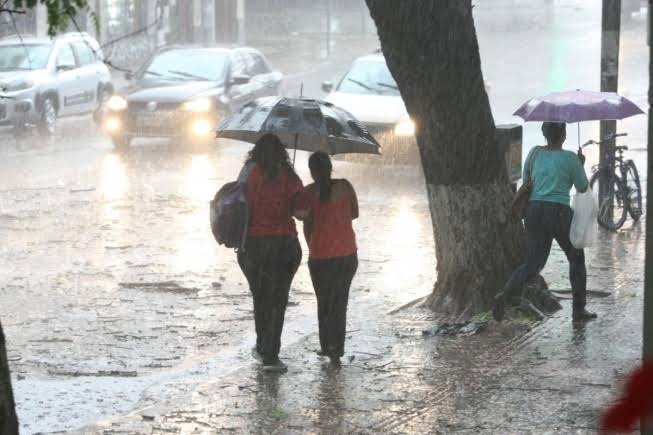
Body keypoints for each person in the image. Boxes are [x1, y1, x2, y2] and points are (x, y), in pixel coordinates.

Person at [493, 122, 597, 322]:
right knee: (576, 259)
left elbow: (527, 180)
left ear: (544, 134)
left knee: (532, 263)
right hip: (559, 212)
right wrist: (579, 164)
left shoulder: (534, 154)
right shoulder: (570, 158)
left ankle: (504, 296)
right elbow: (583, 187)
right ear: (563, 135)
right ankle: (578, 310)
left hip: (534, 211)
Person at [237, 134, 303, 372]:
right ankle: (271, 353)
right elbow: (300, 211)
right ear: (281, 153)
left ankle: (263, 345)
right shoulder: (289, 176)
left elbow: (238, 202)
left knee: (260, 297)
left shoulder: (248, 172)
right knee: (278, 299)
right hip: (285, 245)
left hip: (253, 246)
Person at [295, 152, 359, 365]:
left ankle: (327, 345)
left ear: (312, 171)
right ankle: (336, 349)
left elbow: (299, 214)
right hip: (347, 254)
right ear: (331, 168)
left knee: (324, 302)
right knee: (340, 302)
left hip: (320, 255)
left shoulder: (308, 192)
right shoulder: (345, 186)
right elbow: (354, 214)